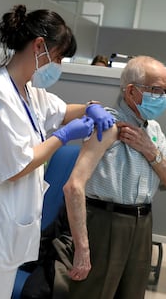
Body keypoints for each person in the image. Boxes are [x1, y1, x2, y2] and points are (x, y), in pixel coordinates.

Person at [0, 4, 115, 299]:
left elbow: (64, 110)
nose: (58, 65)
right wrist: (64, 137)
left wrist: (91, 107)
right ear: (39, 46)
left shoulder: (28, 92)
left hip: (6, 232)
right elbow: (16, 166)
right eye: (59, 56)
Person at [64, 55, 166, 299]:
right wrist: (82, 247)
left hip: (142, 223)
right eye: (157, 90)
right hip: (104, 222)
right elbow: (73, 186)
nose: (162, 98)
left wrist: (151, 153)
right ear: (132, 92)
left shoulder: (153, 130)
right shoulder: (108, 124)